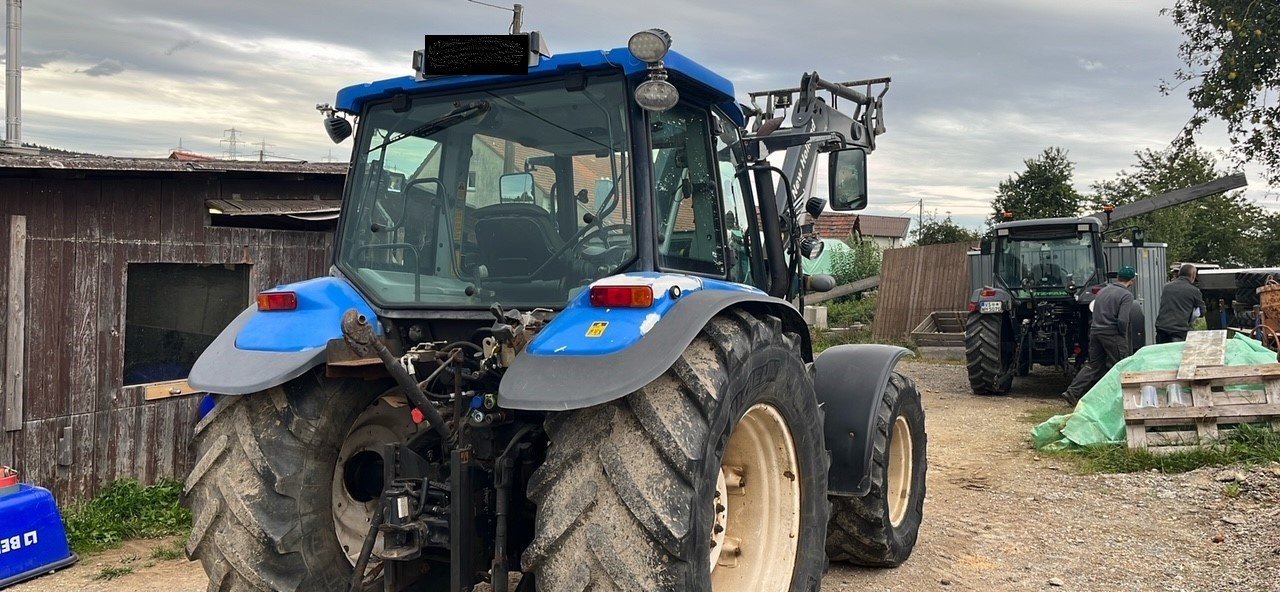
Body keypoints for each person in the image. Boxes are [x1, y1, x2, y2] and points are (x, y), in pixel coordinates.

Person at [1061, 266, 1137, 405]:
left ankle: (1072, 392)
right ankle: (1116, 399)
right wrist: (1122, 334)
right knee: (1119, 365)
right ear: (1132, 280)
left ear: (1118, 277)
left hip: (1095, 331)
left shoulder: (1102, 291)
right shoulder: (1126, 295)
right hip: (1112, 333)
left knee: (1093, 365)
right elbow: (1123, 319)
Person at [1155, 264, 1206, 343]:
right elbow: (1202, 312)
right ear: (1193, 275)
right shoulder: (1194, 291)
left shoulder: (1167, 287)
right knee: (1177, 354)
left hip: (1162, 328)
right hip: (1179, 330)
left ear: (1179, 274)